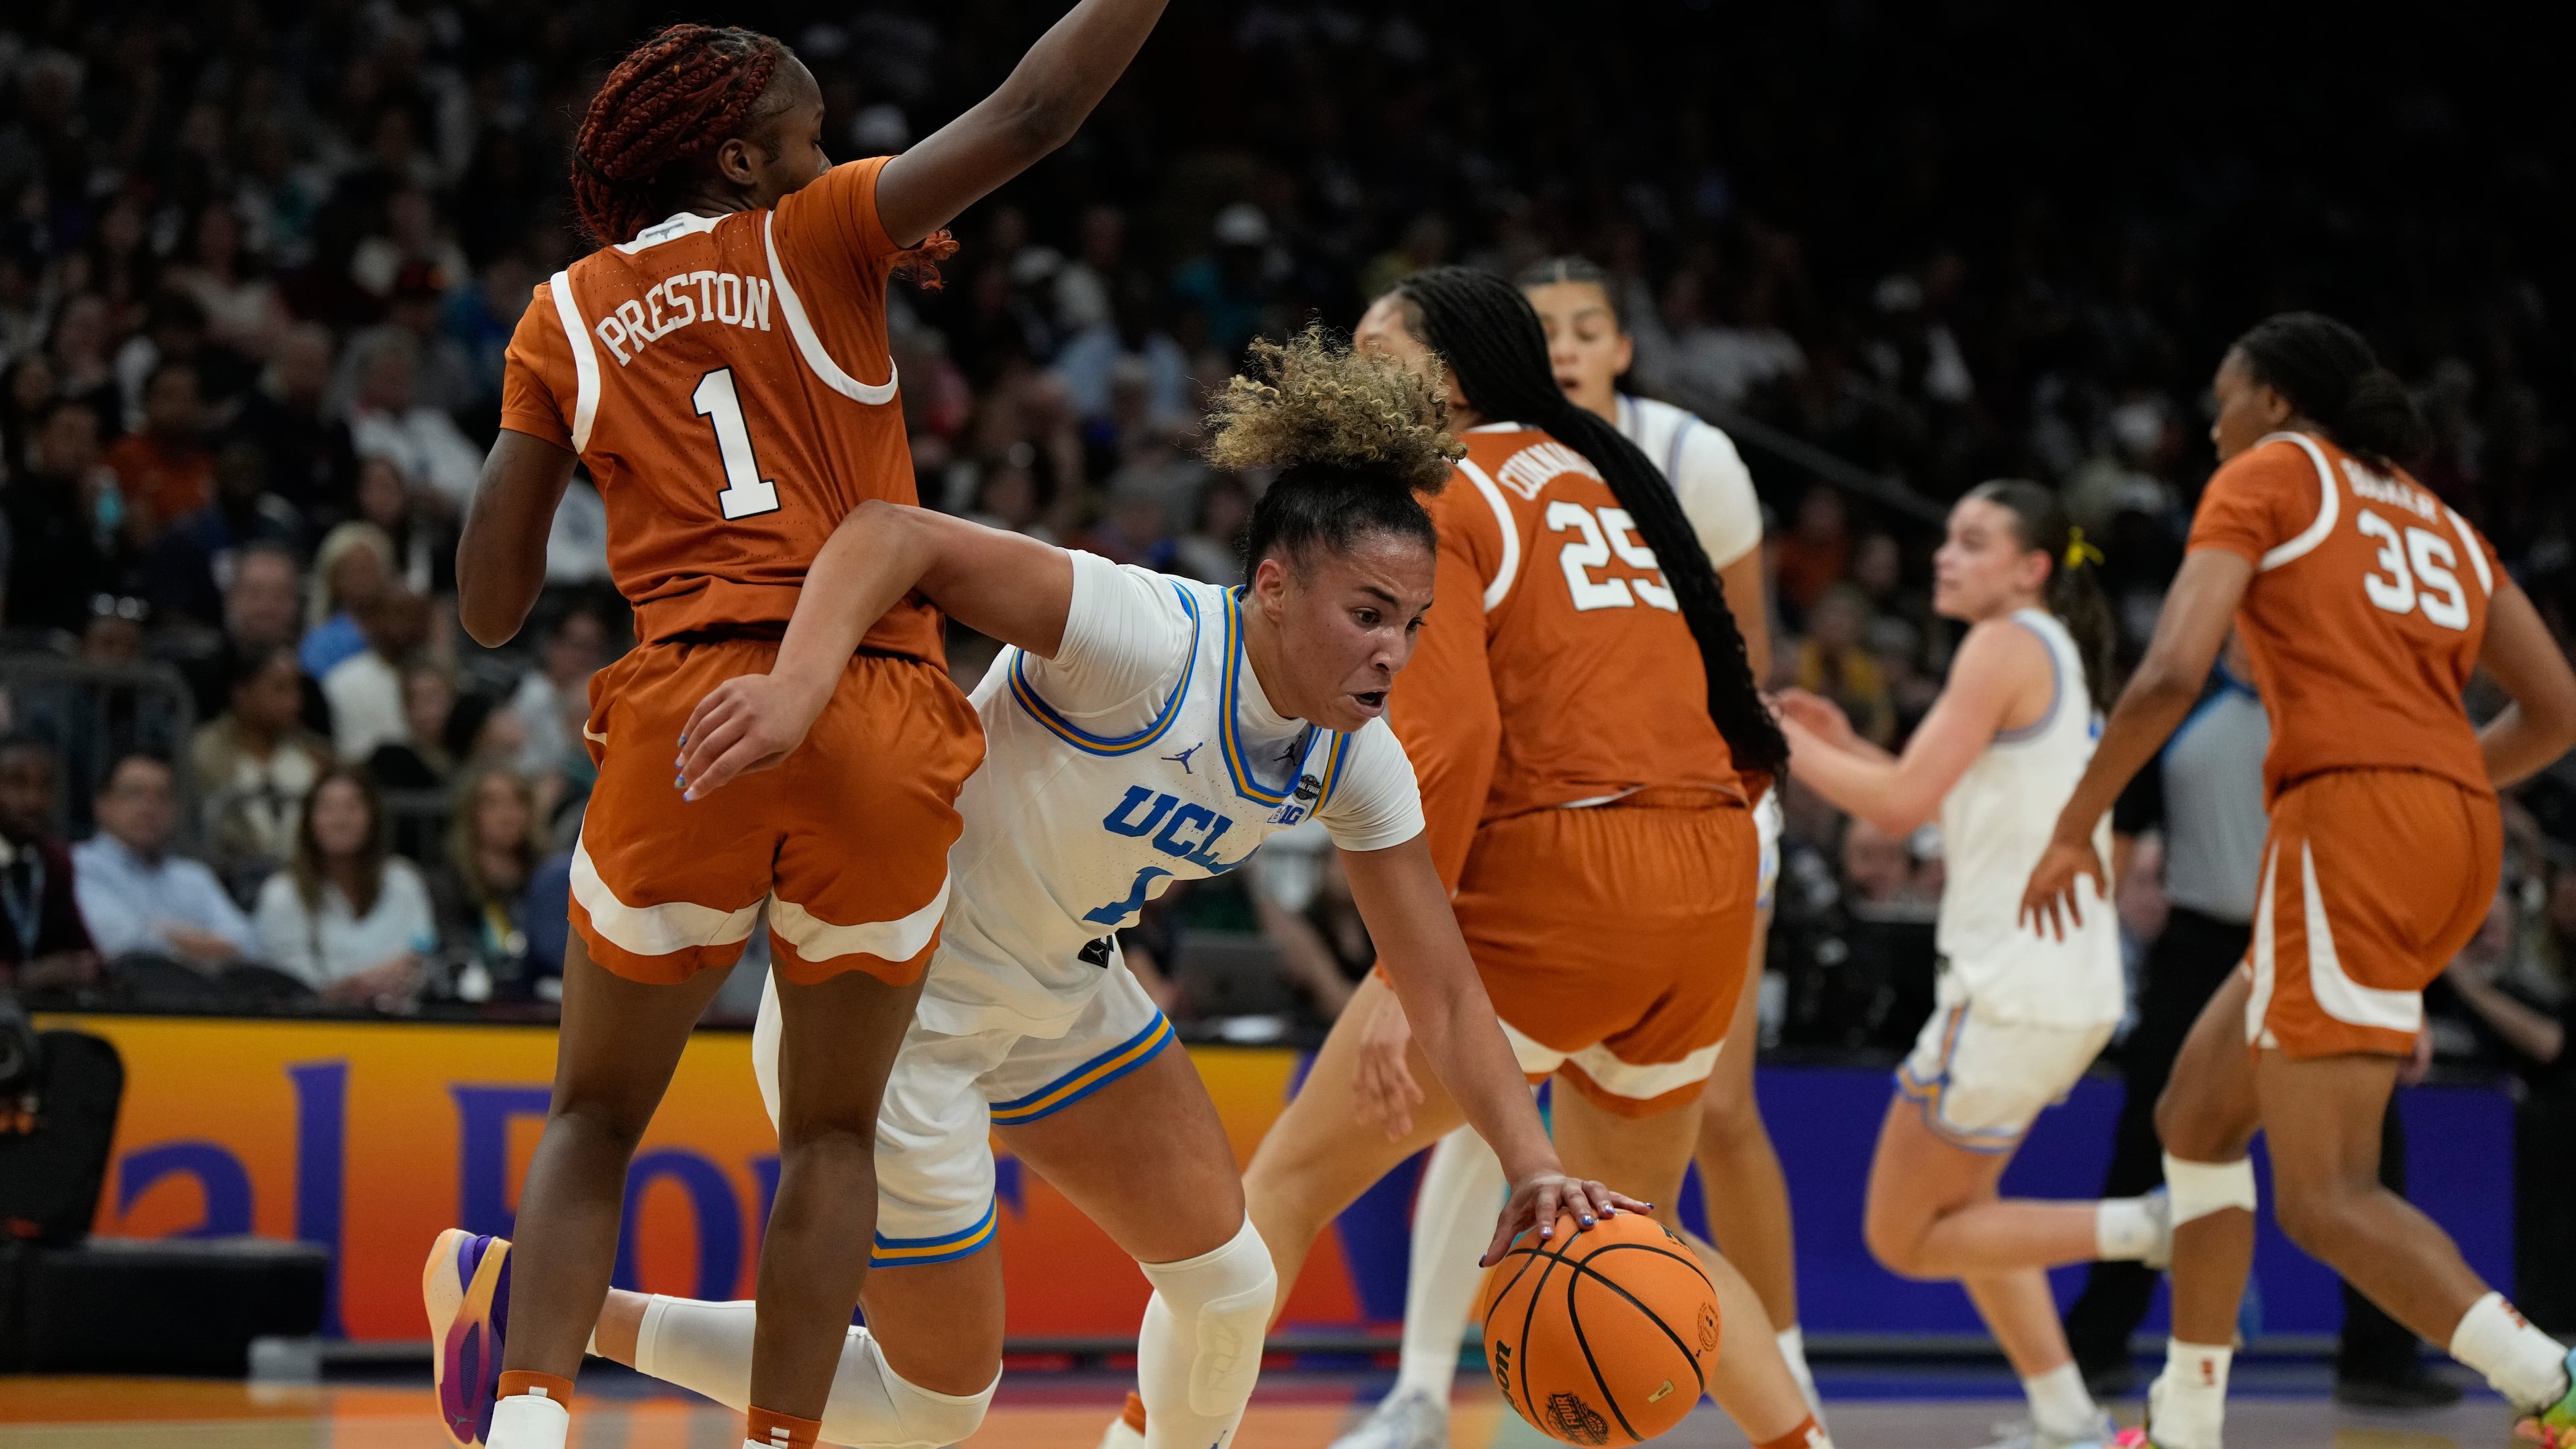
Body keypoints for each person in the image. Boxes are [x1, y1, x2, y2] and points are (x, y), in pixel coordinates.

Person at [437, 326, 1623, 1449]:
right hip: (896, 1011)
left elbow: (1448, 995)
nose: (1393, 653)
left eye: (1412, 624)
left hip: (1060, 1001)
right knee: (935, 1408)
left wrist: (1533, 1169)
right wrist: (800, 687)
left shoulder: (1354, 756)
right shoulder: (1143, 638)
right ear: (1270, 587)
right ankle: (547, 1308)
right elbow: (890, 533)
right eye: (1368, 615)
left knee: (1230, 1288)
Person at [429, 13, 1175, 1449]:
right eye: (814, 138)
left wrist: (548, 396)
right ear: (740, 156)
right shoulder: (823, 232)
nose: (833, 158)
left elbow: (490, 606)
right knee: (832, 1138)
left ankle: (528, 1428)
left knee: (593, 1120)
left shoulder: (562, 311)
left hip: (688, 717)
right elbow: (1031, 112)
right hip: (876, 713)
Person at [1140, 266, 1827, 1449]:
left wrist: (1411, 973)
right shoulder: (1608, 472)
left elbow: (1450, 740)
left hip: (1564, 880)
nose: (1351, 374)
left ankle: (1147, 1442)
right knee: (1626, 1254)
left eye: (1373, 348)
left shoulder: (1438, 489)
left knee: (1278, 1196)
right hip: (1710, 868)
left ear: (1446, 376)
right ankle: (1800, 1443)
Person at [2020, 312, 2576, 1449]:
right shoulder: (2443, 521)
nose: (2211, 423)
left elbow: (2171, 671)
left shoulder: (2269, 474)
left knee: (2328, 1196)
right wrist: (2432, 777)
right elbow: (2563, 712)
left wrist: (2075, 825)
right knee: (2195, 1116)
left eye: (2222, 395)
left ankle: (2554, 1381)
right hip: (2457, 827)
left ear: (2273, 400)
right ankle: (2185, 1422)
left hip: (2353, 821)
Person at [1776, 480, 2163, 1448]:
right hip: (2058, 992)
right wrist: (1848, 744)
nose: (1946, 555)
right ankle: (2070, 1419)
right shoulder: (2054, 654)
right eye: (1946, 538)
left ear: (2031, 568)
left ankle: (2154, 1229)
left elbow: (1900, 811)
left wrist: (1778, 739)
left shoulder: (2004, 644)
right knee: (1969, 1208)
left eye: (1974, 541)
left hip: (2009, 992)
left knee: (1902, 1237)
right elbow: (1955, 808)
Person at [2061, 633, 2451, 1407]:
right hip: (2199, 948)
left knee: (2369, 1152)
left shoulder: (2337, 701)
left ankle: (2379, 1357)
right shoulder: (2180, 699)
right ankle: (2093, 1348)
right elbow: (2123, 832)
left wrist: (2411, 993)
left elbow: (2382, 854)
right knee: (2149, 1138)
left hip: (2322, 944)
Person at [252, 763, 435, 1006]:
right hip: (312, 1032)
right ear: (309, 821)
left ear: (373, 816)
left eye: (352, 807)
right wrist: (358, 985)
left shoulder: (404, 883)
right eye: (328, 808)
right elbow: (285, 990)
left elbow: (422, 960)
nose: (340, 820)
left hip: (399, 1029)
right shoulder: (281, 895)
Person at [72, 751, 258, 969]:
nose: (149, 808)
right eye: (135, 794)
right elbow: (122, 946)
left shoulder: (193, 876)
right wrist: (205, 942)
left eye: (161, 796)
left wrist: (159, 930)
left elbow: (249, 944)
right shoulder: (78, 865)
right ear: (103, 805)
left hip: (196, 999)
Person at [191, 643, 333, 902]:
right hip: (233, 886)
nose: (295, 701)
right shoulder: (205, 753)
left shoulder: (318, 756)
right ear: (241, 694)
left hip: (312, 883)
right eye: (279, 688)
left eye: (297, 688)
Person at [431, 765, 547, 1001]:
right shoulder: (448, 882)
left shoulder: (547, 876)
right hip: (471, 1010)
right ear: (471, 814)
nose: (507, 814)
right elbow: (453, 952)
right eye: (493, 804)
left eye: (517, 802)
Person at [0, 735, 101, 993]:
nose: (33, 800)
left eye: (45, 786)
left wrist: (86, 967)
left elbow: (83, 950)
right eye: (16, 784)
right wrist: (22, 978)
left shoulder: (55, 861)